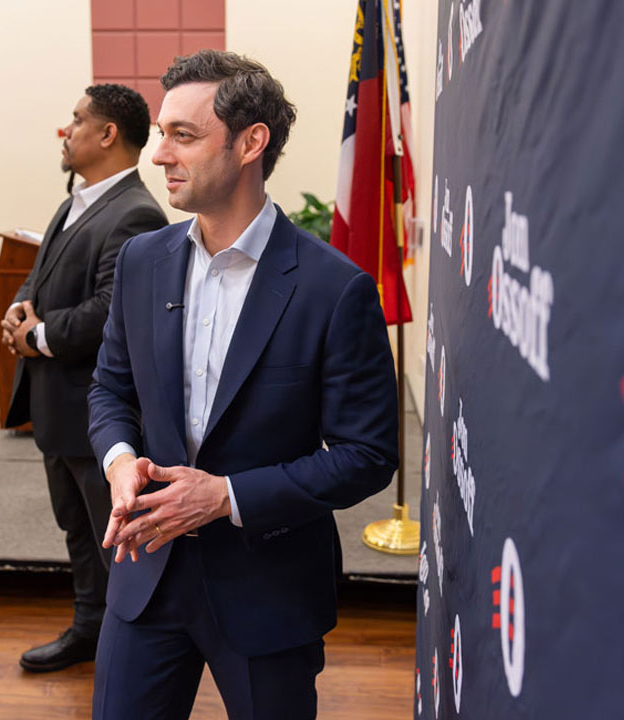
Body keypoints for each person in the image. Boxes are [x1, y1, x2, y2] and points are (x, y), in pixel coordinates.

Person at [87, 50, 399, 719]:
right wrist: (119, 465)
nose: (159, 154)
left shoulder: (334, 289)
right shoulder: (143, 262)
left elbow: (367, 455)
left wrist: (224, 497)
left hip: (270, 588)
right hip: (147, 573)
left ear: (251, 142)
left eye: (184, 136)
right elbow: (111, 390)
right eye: (162, 133)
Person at [1, 83, 167, 673]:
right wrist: (21, 308)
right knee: (78, 531)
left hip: (96, 416)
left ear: (107, 134)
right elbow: (39, 277)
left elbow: (108, 311)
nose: (63, 132)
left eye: (74, 121)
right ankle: (89, 629)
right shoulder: (76, 201)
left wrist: (38, 337)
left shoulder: (136, 213)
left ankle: (132, 646)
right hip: (57, 409)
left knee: (114, 538)